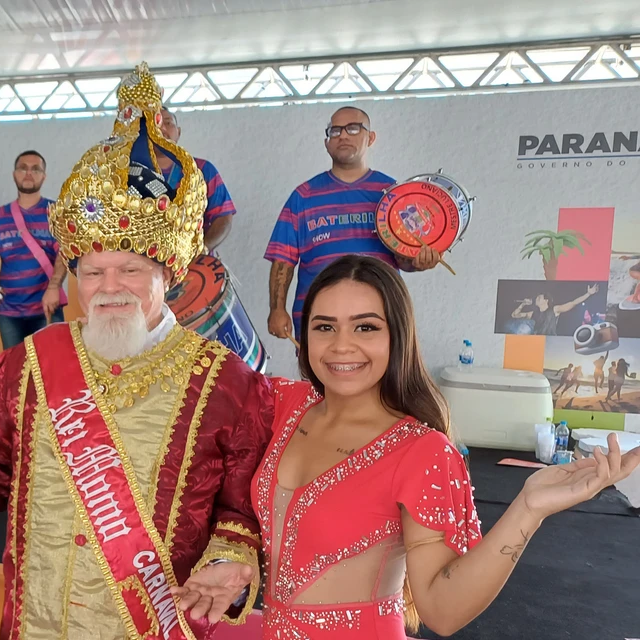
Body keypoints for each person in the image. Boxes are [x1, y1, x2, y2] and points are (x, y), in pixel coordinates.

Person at [0, 63, 273, 639]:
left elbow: (241, 509)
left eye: (131, 270)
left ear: (170, 274)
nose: (108, 288)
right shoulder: (25, 364)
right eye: (92, 270)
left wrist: (230, 558)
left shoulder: (228, 384)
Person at [255, 255, 640, 639]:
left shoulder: (421, 452)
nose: (342, 346)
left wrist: (529, 508)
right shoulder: (280, 404)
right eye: (325, 327)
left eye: (366, 327)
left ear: (397, 336)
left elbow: (442, 612)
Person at [264, 106, 444, 342]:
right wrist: (277, 309)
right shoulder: (303, 196)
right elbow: (283, 261)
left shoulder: (393, 195)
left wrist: (419, 262)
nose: (343, 136)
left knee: (383, 380)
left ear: (371, 138)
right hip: (319, 321)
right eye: (335, 131)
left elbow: (403, 258)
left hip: (380, 317)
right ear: (327, 143)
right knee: (320, 380)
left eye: (353, 128)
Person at [0, 150, 67, 349]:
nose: (29, 173)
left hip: (47, 307)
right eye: (23, 168)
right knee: (15, 373)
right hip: (9, 313)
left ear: (44, 176)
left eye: (35, 169)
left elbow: (64, 252)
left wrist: (54, 287)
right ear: (15, 174)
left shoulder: (56, 214)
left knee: (51, 370)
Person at [157, 107, 236, 251]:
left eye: (168, 123)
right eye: (155, 123)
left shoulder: (202, 170)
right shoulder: (130, 173)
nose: (162, 128)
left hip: (195, 265)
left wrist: (202, 250)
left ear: (178, 132)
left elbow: (223, 218)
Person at [511, 285, 599, 335]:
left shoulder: (554, 310)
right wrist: (523, 304)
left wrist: (588, 294)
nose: (536, 299)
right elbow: (514, 315)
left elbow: (573, 303)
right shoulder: (533, 313)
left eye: (539, 297)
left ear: (546, 300)